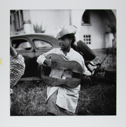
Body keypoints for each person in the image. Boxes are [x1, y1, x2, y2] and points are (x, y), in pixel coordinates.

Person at [37, 25, 91, 115]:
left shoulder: (77, 56)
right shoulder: (54, 52)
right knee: (52, 112)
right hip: (55, 86)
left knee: (67, 116)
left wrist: (87, 76)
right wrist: (44, 61)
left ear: (70, 40)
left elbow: (85, 71)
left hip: (70, 90)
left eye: (63, 39)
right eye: (59, 39)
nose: (60, 42)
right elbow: (39, 58)